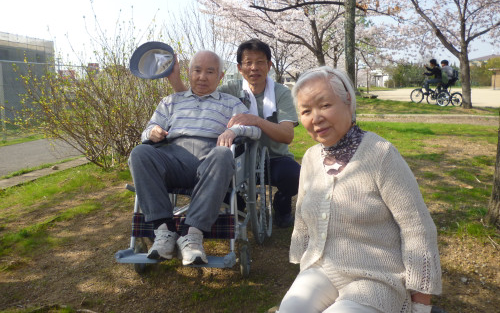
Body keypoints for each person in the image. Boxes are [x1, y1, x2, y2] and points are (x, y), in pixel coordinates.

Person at [278, 66, 442, 313]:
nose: (316, 118)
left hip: (376, 277)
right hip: (322, 268)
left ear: (348, 102)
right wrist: (304, 260)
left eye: (324, 105)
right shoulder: (311, 158)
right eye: (306, 111)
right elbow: (302, 215)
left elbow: (417, 227)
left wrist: (421, 303)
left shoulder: (381, 154)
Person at [128, 50, 261, 266]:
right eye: (197, 71)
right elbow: (148, 130)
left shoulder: (230, 103)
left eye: (210, 72)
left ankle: (192, 235)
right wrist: (152, 132)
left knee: (222, 153)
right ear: (189, 73)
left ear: (220, 77)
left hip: (211, 160)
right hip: (172, 159)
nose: (202, 77)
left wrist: (233, 131)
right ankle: (164, 231)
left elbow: (254, 131)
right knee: (140, 152)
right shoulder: (171, 101)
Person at [168, 39, 300, 228]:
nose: (254, 67)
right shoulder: (230, 89)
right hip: (238, 158)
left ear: (269, 65)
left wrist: (256, 120)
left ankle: (282, 200)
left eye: (260, 62)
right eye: (248, 62)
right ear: (239, 68)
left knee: (293, 175)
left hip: (273, 158)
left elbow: (287, 135)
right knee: (221, 176)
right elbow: (198, 100)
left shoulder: (281, 93)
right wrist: (175, 81)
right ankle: (239, 202)